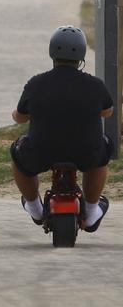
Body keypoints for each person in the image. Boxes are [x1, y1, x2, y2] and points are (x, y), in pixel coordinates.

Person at [11, 26, 112, 233]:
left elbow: (20, 118)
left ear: (52, 53)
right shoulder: (95, 85)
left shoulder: (36, 84)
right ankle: (92, 211)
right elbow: (107, 111)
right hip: (86, 153)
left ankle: (34, 207)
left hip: (41, 153)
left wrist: (20, 114)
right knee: (104, 148)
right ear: (82, 55)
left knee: (16, 151)